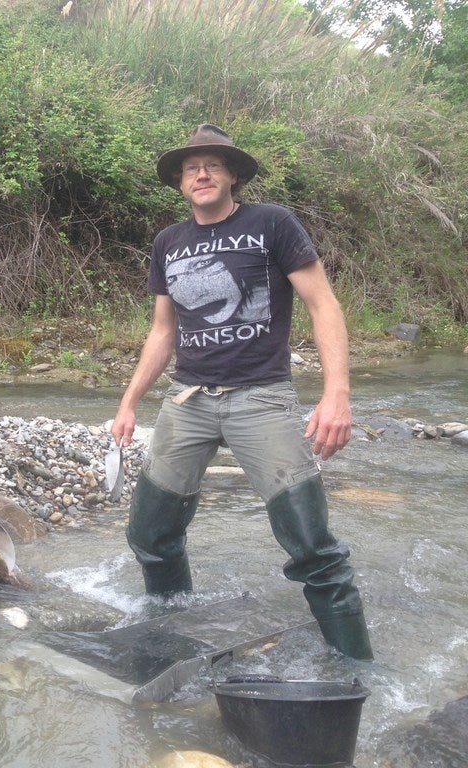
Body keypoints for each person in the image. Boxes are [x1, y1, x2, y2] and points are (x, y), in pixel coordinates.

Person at [110, 124, 373, 659]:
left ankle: (359, 670)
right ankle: (173, 632)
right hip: (189, 400)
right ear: (180, 182)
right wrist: (129, 401)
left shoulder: (271, 223)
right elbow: (164, 331)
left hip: (262, 397)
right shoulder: (169, 242)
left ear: (233, 174)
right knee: (150, 534)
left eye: (212, 164)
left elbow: (324, 304)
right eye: (190, 167)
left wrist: (336, 394)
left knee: (312, 546)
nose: (200, 174)